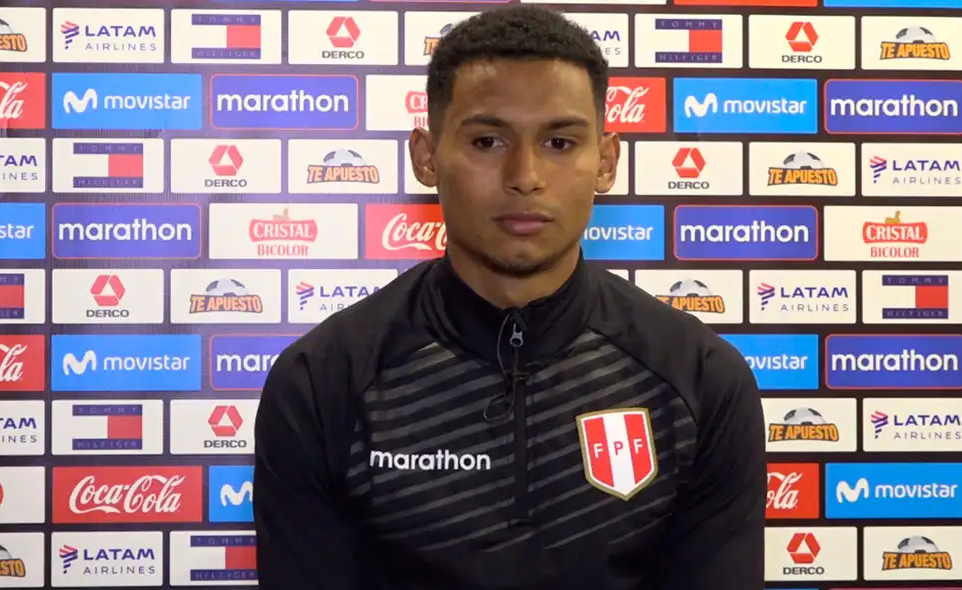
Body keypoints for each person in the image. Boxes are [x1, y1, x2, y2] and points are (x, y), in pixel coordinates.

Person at [253, 5, 765, 589]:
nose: (525, 175)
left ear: (606, 161)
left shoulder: (700, 381)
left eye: (560, 142)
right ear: (426, 156)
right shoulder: (323, 384)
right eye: (488, 140)